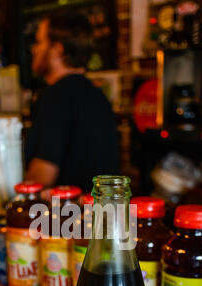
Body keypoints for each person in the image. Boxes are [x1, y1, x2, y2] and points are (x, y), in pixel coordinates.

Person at [25, 11, 119, 192]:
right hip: (100, 212)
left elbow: (42, 177)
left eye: (39, 42)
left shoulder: (55, 97)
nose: (33, 49)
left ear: (57, 49)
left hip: (66, 216)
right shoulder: (98, 95)